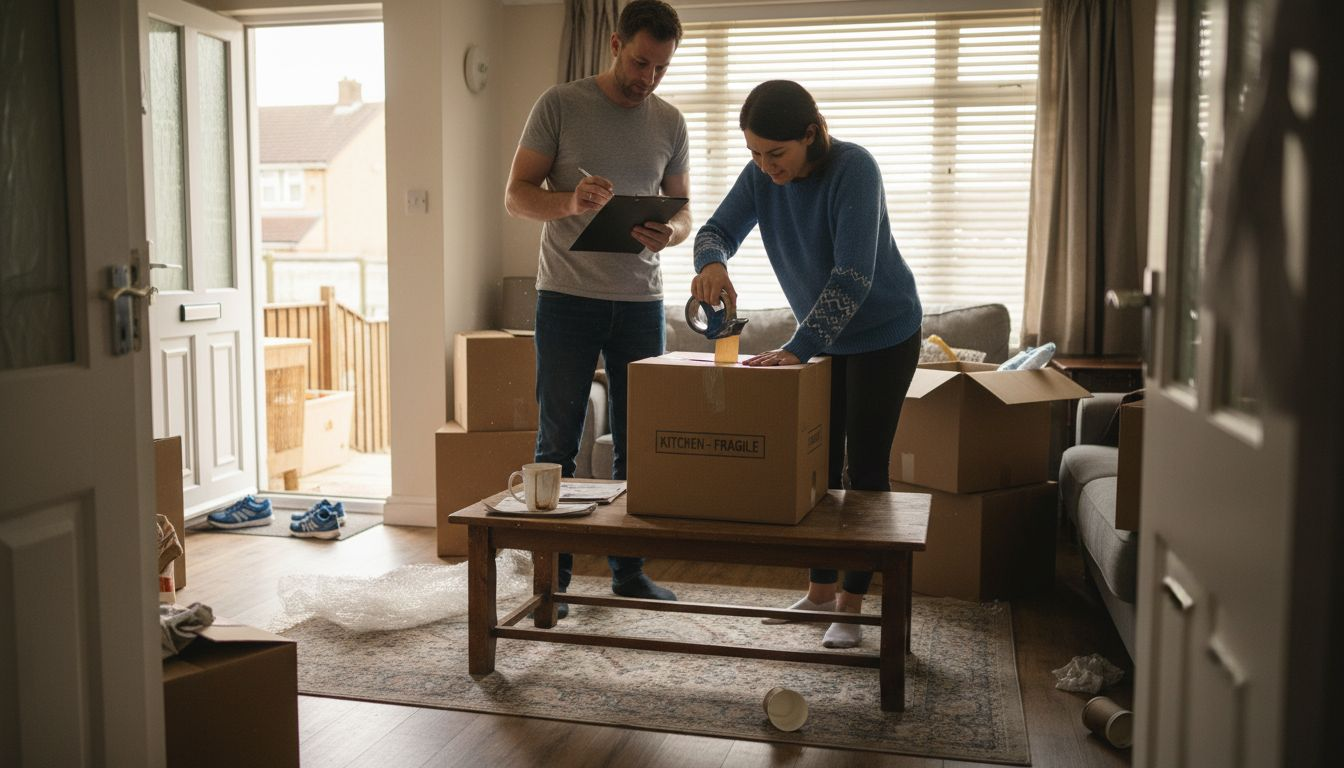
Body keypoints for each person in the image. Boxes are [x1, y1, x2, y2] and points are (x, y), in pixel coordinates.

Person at [689, 80, 923, 648]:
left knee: (862, 473)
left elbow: (854, 275)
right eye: (754, 154)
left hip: (883, 336)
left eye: (777, 154)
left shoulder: (854, 169)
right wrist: (712, 263)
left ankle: (852, 606)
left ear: (811, 135)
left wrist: (798, 347)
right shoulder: (761, 176)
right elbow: (715, 230)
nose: (765, 167)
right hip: (825, 342)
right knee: (814, 471)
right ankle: (819, 595)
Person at [505, 0, 691, 615]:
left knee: (641, 445)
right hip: (566, 297)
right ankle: (550, 584)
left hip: (641, 302)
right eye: (640, 62)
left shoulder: (671, 122)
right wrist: (570, 201)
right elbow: (517, 196)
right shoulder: (560, 103)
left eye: (661, 68)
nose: (648, 79)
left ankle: (628, 573)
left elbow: (684, 208)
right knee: (557, 440)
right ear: (614, 44)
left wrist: (675, 232)